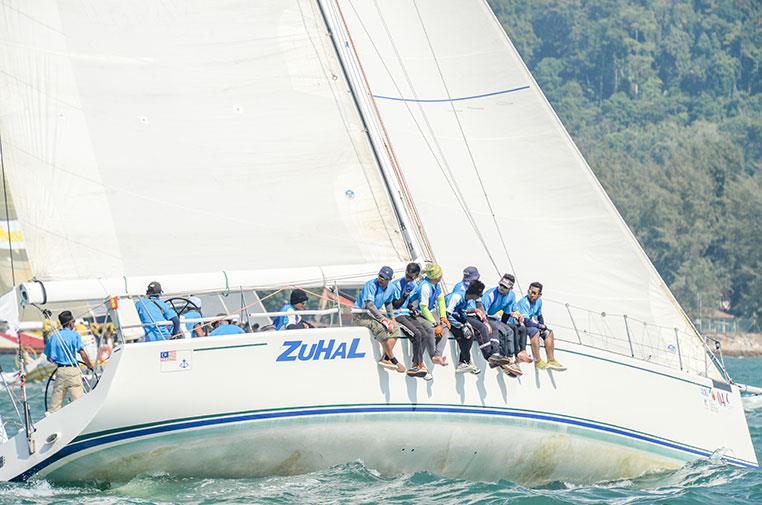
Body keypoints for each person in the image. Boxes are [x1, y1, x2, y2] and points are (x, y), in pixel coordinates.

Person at [352, 266, 405, 373]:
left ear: (389, 280)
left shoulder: (391, 288)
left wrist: (392, 318)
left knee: (396, 328)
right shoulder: (371, 285)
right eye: (379, 277)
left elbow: (388, 303)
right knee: (382, 328)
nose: (380, 280)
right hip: (361, 315)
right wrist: (382, 319)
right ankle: (393, 360)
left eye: (383, 279)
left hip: (375, 315)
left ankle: (385, 358)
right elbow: (370, 305)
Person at [44, 310, 94, 413]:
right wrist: (90, 366)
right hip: (73, 371)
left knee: (54, 407)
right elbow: (82, 354)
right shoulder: (75, 335)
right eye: (74, 321)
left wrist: (59, 358)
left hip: (60, 372)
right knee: (79, 404)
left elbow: (49, 358)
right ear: (70, 323)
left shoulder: (54, 337)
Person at [405, 263, 450, 378]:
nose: (441, 276)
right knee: (431, 329)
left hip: (429, 312)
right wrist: (435, 325)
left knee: (445, 327)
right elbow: (423, 308)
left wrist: (443, 317)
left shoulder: (436, 284)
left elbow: (440, 301)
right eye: (440, 275)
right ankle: (432, 356)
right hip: (417, 313)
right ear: (434, 276)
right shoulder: (425, 286)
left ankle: (438, 355)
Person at [517, 282, 566, 371]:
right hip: (520, 325)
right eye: (530, 291)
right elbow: (526, 321)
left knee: (549, 332)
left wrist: (543, 326)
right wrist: (539, 326)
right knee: (535, 331)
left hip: (529, 324)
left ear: (540, 295)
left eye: (534, 293)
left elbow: (539, 316)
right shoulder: (523, 302)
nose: (531, 295)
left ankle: (551, 360)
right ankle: (538, 361)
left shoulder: (539, 301)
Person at [481, 274, 522, 374]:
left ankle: (509, 358)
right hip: (484, 316)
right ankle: (502, 359)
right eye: (501, 285)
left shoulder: (511, 296)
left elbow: (506, 313)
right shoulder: (490, 294)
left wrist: (504, 326)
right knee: (501, 330)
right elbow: (481, 312)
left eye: (505, 287)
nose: (502, 288)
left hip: (494, 318)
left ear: (511, 288)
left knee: (509, 331)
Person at [445, 279, 485, 374]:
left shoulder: (466, 298)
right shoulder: (457, 297)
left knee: (470, 332)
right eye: (479, 295)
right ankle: (464, 361)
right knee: (464, 334)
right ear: (474, 295)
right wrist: (461, 326)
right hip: (442, 317)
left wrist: (466, 323)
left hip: (452, 316)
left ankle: (465, 361)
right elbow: (447, 315)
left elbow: (462, 312)